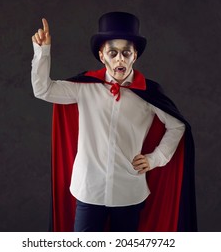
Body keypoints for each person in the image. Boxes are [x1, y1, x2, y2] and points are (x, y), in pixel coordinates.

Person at [31, 12, 197, 232]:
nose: (120, 59)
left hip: (129, 193)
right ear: (102, 56)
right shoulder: (84, 87)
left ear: (134, 56)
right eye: (113, 52)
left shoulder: (148, 93)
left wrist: (155, 158)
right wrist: (43, 52)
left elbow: (177, 125)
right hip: (89, 190)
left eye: (126, 53)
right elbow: (43, 89)